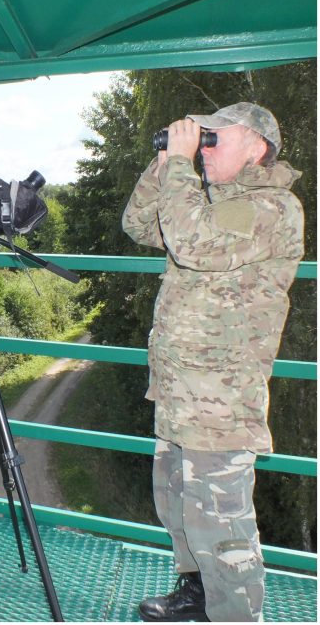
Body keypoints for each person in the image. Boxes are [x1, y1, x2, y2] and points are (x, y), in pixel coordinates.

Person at [121, 102, 304, 622]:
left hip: (222, 404)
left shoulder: (273, 208)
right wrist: (161, 167)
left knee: (223, 530)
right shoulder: (204, 203)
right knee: (180, 509)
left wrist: (180, 166)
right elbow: (140, 226)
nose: (204, 148)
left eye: (215, 138)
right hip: (180, 391)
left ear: (256, 146)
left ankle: (236, 615)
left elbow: (194, 242)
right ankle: (196, 597)